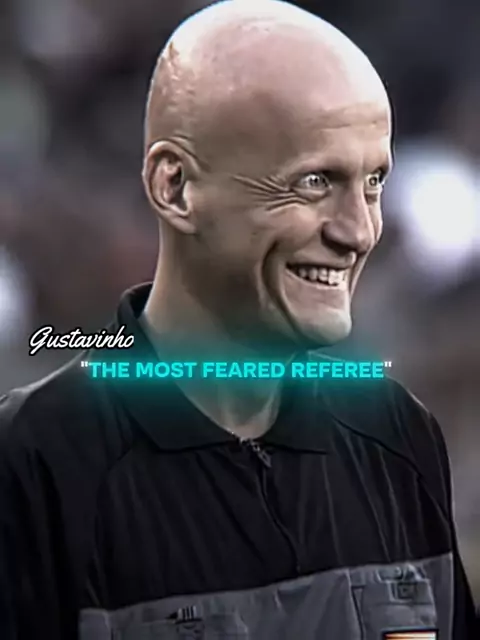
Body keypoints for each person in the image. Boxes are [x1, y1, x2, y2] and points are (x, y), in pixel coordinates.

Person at [0, 1, 478, 638]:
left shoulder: (398, 435)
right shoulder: (33, 462)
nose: (359, 231)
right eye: (313, 182)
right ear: (175, 187)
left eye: (373, 184)